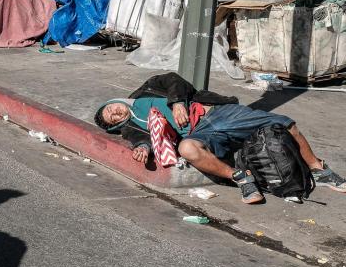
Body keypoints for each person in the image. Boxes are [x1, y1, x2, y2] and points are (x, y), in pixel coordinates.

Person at [94, 72, 346, 203]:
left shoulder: (146, 90)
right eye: (113, 120)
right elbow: (141, 140)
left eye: (110, 109)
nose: (115, 114)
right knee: (188, 149)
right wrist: (143, 148)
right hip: (201, 132)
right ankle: (240, 177)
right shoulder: (131, 127)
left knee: (283, 122)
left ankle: (318, 169)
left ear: (114, 102)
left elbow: (175, 80)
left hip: (216, 112)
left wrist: (178, 103)